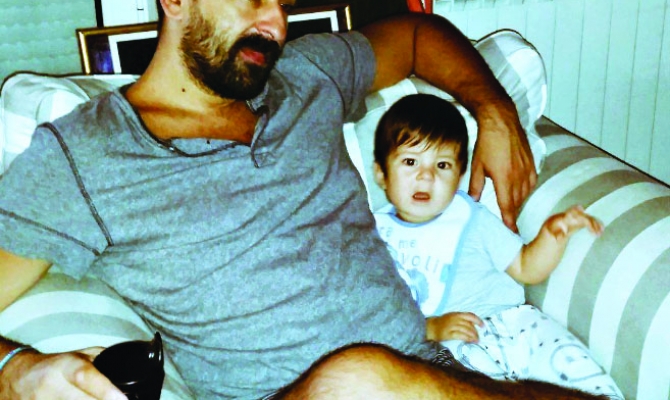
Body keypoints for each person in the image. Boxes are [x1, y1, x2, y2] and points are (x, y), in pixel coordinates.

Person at [0, 0, 597, 398]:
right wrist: (14, 370)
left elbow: (418, 35)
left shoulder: (305, 76)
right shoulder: (84, 156)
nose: (276, 25)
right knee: (356, 380)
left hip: (433, 374)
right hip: (314, 392)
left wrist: (494, 109)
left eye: (282, 3)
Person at [371, 93, 624, 399]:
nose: (426, 176)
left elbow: (526, 267)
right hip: (452, 344)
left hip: (516, 325)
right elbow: (378, 316)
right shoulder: (372, 236)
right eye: (410, 162)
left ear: (459, 176)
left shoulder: (472, 219)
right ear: (381, 173)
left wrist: (553, 234)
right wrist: (430, 329)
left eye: (442, 164)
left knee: (573, 368)